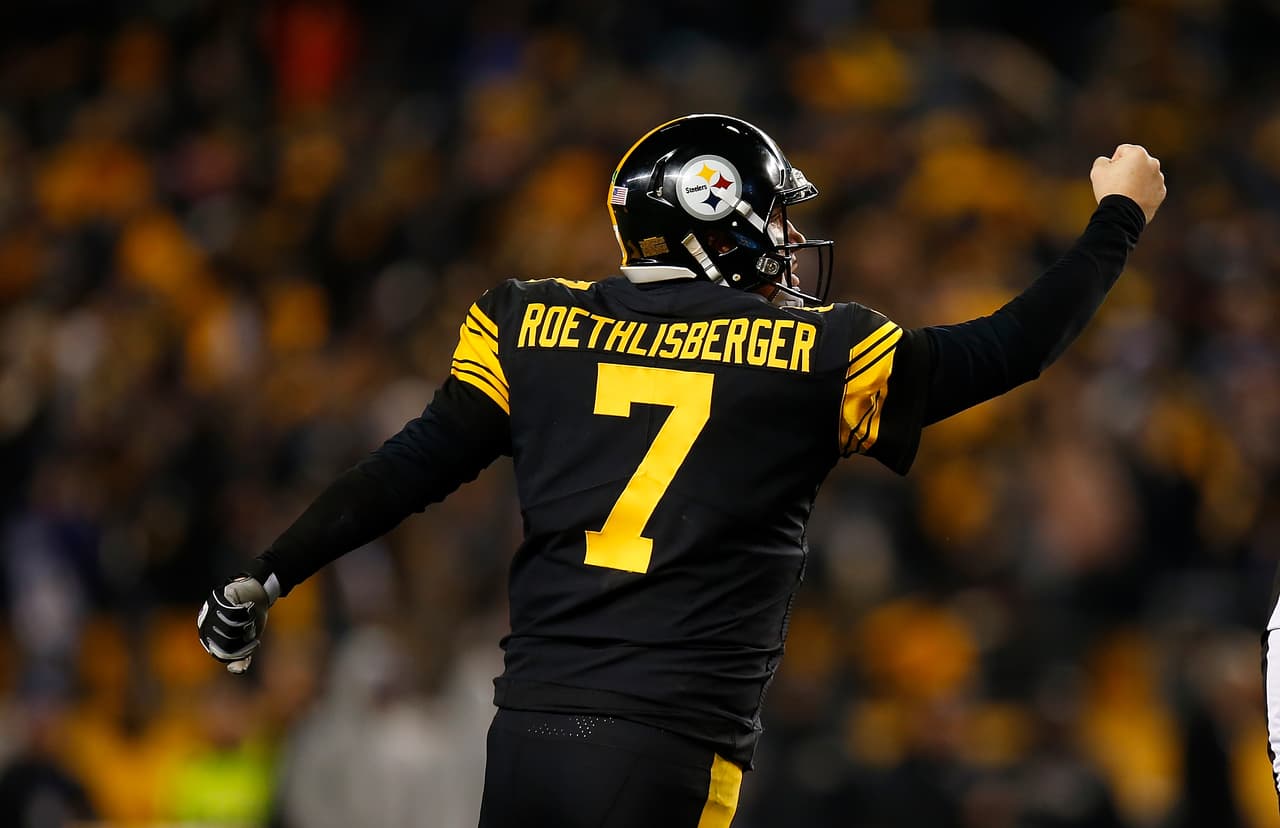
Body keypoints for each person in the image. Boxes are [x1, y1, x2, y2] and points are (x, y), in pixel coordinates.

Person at [198, 114, 1165, 827]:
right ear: (719, 217)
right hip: (662, 749)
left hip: (527, 736)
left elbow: (409, 468)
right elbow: (1014, 348)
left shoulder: (528, 322)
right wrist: (1118, 216)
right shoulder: (812, 354)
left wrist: (272, 569)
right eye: (773, 217)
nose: (788, 242)